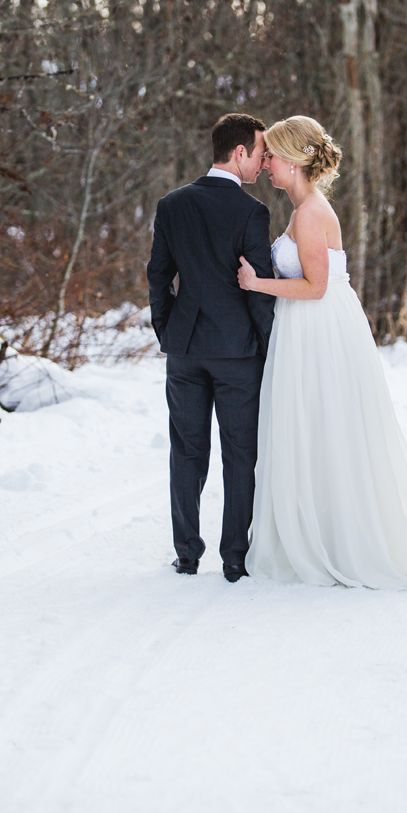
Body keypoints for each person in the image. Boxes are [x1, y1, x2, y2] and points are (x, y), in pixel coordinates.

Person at [236, 115, 407, 589]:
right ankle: (317, 532)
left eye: (271, 155)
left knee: (324, 424)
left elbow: (314, 287)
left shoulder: (310, 213)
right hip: (309, 328)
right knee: (313, 426)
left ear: (293, 160)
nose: (266, 164)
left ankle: (332, 542)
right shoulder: (303, 209)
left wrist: (256, 283)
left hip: (318, 327)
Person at [147, 113, 276, 582]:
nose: (263, 163)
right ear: (239, 152)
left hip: (184, 347)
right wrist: (270, 346)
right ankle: (234, 558)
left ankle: (186, 553)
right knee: (240, 454)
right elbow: (258, 289)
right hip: (237, 351)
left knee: (186, 451)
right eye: (260, 154)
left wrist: (166, 328)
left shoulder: (172, 204)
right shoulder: (251, 212)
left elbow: (158, 274)